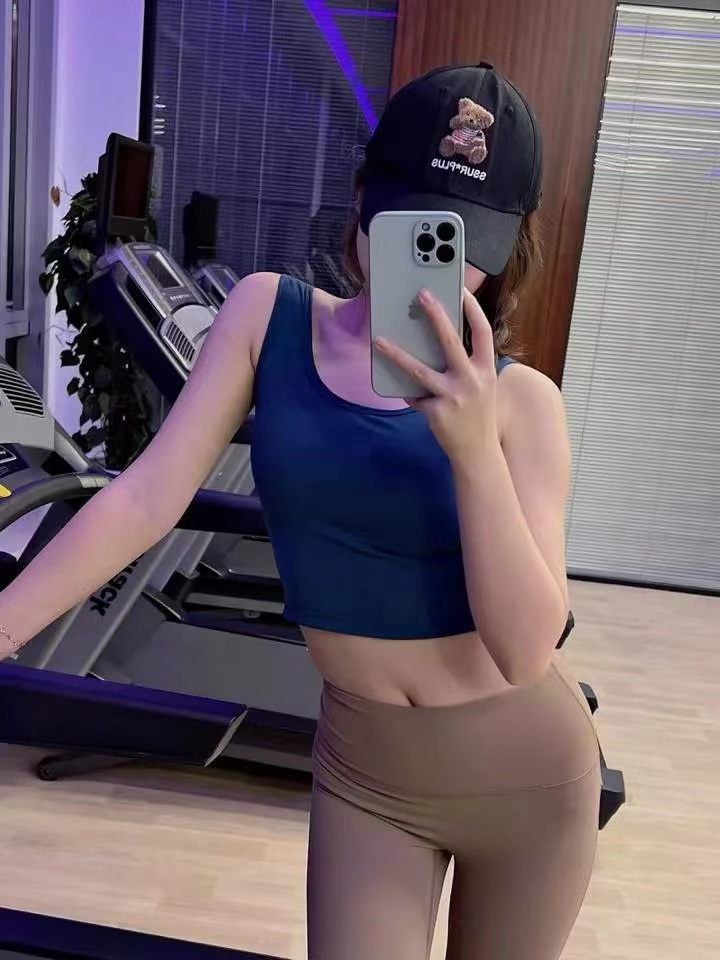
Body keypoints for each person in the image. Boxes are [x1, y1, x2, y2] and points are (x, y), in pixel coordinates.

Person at [0, 64, 600, 959]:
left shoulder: (525, 405)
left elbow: (525, 647)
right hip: (367, 775)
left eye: (461, 242)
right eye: (410, 227)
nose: (435, 265)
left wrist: (474, 450)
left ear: (509, 246)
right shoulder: (264, 317)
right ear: (362, 202)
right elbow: (146, 496)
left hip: (527, 779)